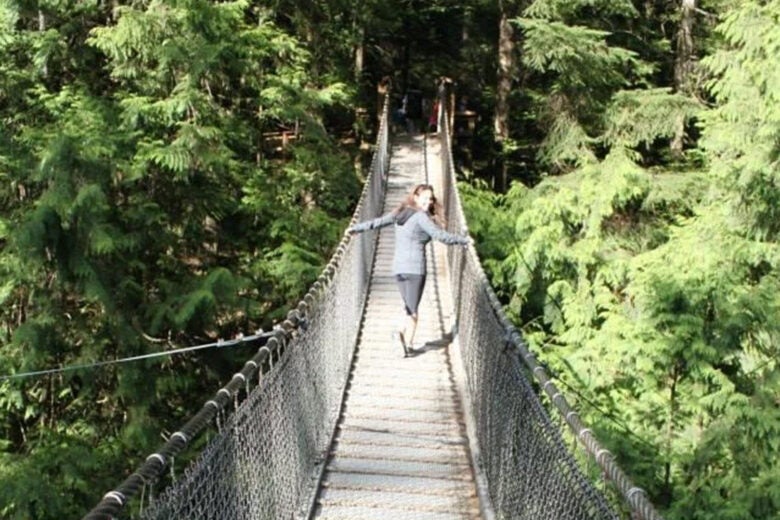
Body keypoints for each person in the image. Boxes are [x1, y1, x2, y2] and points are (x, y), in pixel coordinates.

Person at [349, 184, 471, 357]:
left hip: (398, 269)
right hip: (415, 269)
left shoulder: (401, 212)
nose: (428, 202)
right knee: (412, 311)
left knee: (409, 307)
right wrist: (463, 240)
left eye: (430, 199)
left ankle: (408, 345)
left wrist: (356, 228)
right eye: (424, 198)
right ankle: (399, 332)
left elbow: (378, 222)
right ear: (415, 197)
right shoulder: (421, 217)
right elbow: (441, 236)